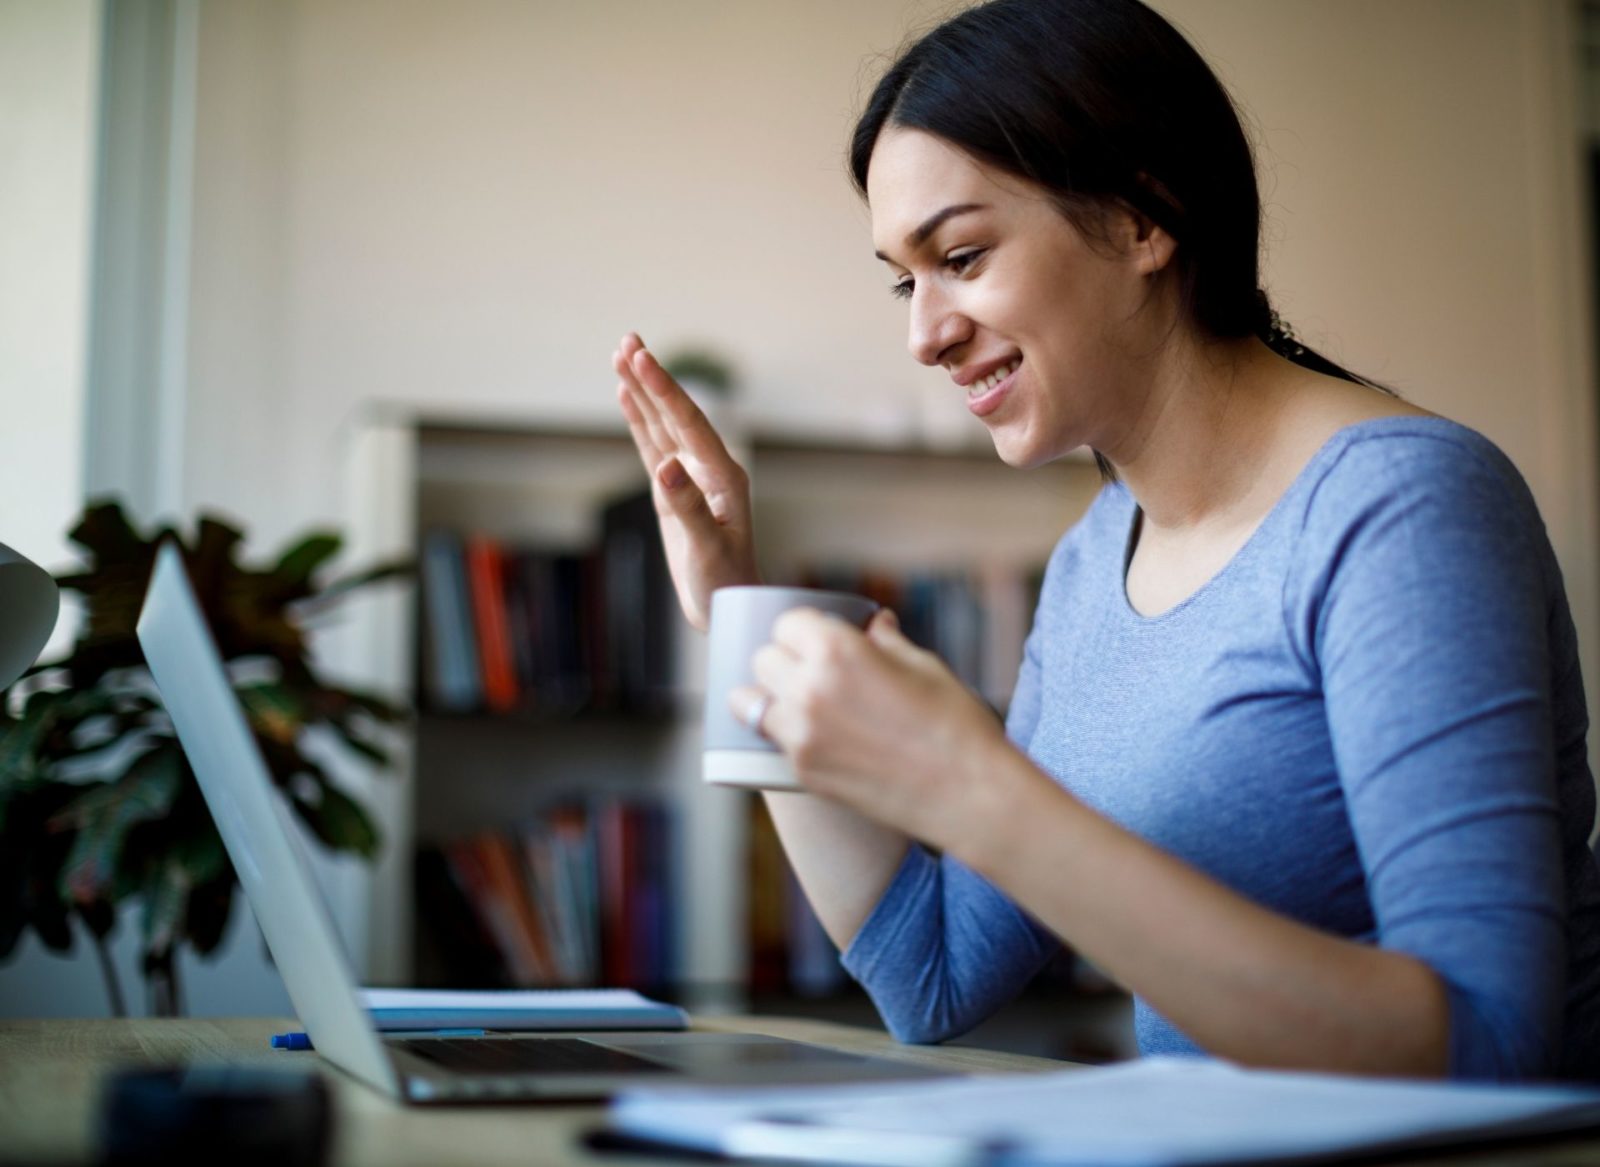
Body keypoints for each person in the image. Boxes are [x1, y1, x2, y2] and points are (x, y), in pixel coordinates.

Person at [610, 0, 1600, 1082]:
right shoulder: (1094, 561)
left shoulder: (1399, 506)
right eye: (906, 278)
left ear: (1142, 216)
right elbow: (930, 977)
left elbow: (1484, 1039)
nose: (923, 333)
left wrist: (976, 792)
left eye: (962, 255)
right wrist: (736, 616)